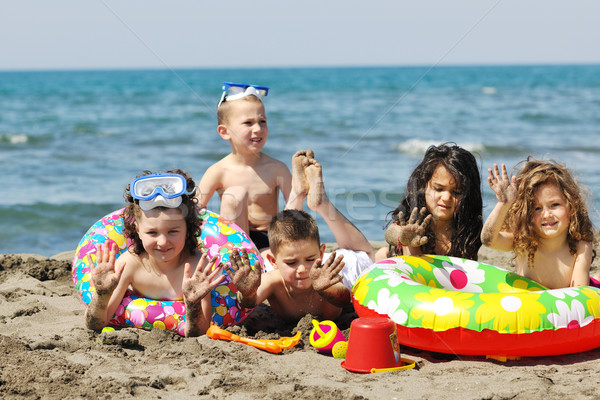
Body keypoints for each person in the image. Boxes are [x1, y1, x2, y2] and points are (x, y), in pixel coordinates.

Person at [225, 151, 374, 321]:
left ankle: (321, 202)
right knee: (285, 233)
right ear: (273, 262)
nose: (302, 269)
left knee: (367, 255)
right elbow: (249, 302)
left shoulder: (327, 274)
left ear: (321, 253)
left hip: (334, 264)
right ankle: (299, 193)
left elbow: (344, 299)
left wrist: (326, 288)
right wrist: (247, 292)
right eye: (291, 263)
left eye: (309, 260)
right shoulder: (274, 280)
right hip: (298, 252)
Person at [84, 170, 226, 337]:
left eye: (173, 231)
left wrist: (193, 305)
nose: (163, 242)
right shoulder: (129, 264)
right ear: (137, 230)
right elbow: (96, 324)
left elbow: (201, 332)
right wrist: (101, 295)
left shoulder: (196, 267)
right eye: (152, 233)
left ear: (188, 229)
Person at [196, 83, 292, 252]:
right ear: (225, 132)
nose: (258, 129)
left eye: (262, 122)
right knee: (233, 195)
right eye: (248, 123)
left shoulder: (277, 168)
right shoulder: (218, 171)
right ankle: (238, 259)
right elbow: (195, 211)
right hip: (232, 241)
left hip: (270, 239)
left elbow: (294, 209)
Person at [481, 159, 597, 289]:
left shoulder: (580, 246)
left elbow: (580, 292)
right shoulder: (524, 241)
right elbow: (488, 240)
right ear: (526, 213)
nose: (546, 215)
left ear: (571, 206)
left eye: (554, 205)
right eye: (537, 208)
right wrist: (504, 204)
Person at [375, 143, 483, 261]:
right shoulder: (414, 221)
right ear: (423, 186)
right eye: (438, 189)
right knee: (382, 254)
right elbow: (393, 230)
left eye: (456, 192)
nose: (446, 197)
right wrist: (403, 237)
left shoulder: (468, 228)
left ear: (469, 194)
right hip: (412, 271)